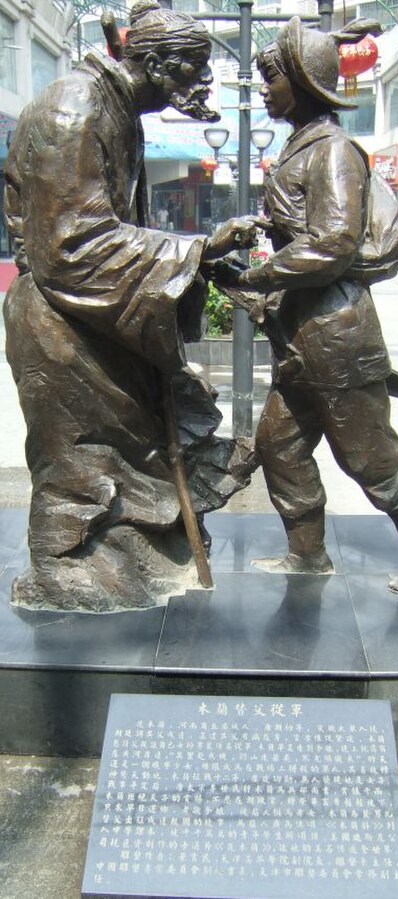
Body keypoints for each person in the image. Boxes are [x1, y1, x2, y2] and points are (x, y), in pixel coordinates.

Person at [3, 0, 258, 611]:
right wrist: (193, 249)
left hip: (97, 314)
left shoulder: (119, 111)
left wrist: (198, 262)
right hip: (63, 323)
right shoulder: (77, 109)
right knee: (83, 466)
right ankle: (70, 574)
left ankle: (137, 565)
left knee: (135, 447)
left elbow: (117, 228)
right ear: (157, 63)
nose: (203, 85)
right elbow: (71, 244)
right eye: (194, 71)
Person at [218, 17, 398, 594]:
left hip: (338, 335)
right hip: (300, 337)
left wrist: (262, 272)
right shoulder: (303, 148)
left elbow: (335, 241)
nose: (265, 88)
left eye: (273, 78)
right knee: (278, 446)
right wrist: (262, 226)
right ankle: (307, 553)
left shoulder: (334, 149)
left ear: (302, 80)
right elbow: (306, 224)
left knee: (368, 457)